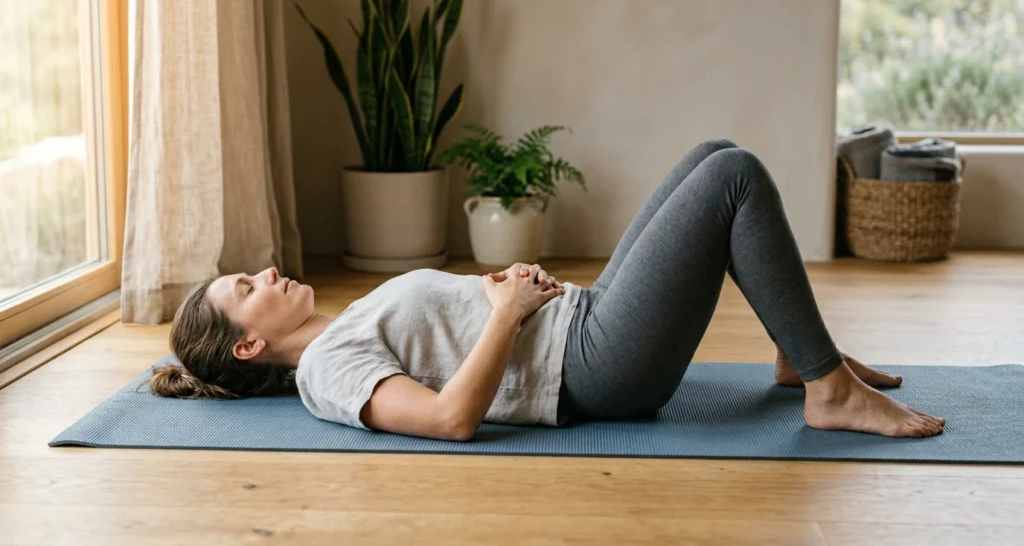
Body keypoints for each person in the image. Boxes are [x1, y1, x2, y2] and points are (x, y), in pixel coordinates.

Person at [152, 139, 945, 441]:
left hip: (580, 322)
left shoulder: (346, 322)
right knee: (734, 180)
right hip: (597, 370)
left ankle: (792, 352)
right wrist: (506, 311)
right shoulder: (326, 372)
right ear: (250, 343)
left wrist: (500, 289)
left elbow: (446, 337)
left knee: (714, 152)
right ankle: (826, 389)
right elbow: (447, 416)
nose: (265, 273)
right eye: (246, 288)